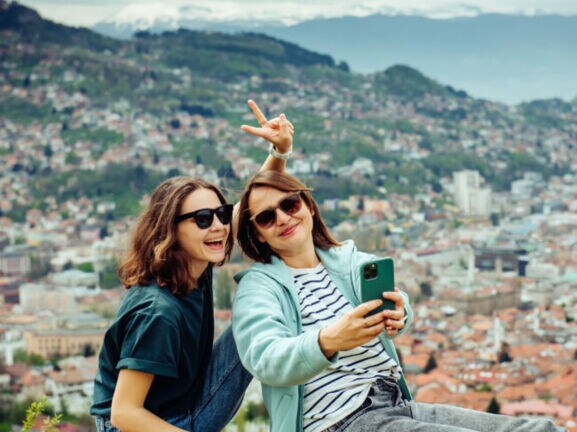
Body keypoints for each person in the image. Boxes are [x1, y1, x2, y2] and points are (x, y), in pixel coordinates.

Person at [232, 169, 567, 432]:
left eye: (289, 204)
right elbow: (263, 357)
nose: (283, 218)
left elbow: (394, 298)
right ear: (257, 233)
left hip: (394, 402)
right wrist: (328, 341)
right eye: (266, 217)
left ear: (307, 205)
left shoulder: (345, 261)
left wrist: (400, 310)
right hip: (338, 420)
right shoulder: (259, 287)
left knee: (542, 428)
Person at [89, 100, 294, 432]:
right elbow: (124, 413)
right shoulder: (159, 312)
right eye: (202, 219)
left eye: (220, 214)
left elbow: (247, 207)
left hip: (182, 402)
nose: (218, 226)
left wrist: (279, 152)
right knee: (262, 319)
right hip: (147, 425)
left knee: (261, 314)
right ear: (171, 230)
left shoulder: (191, 262)